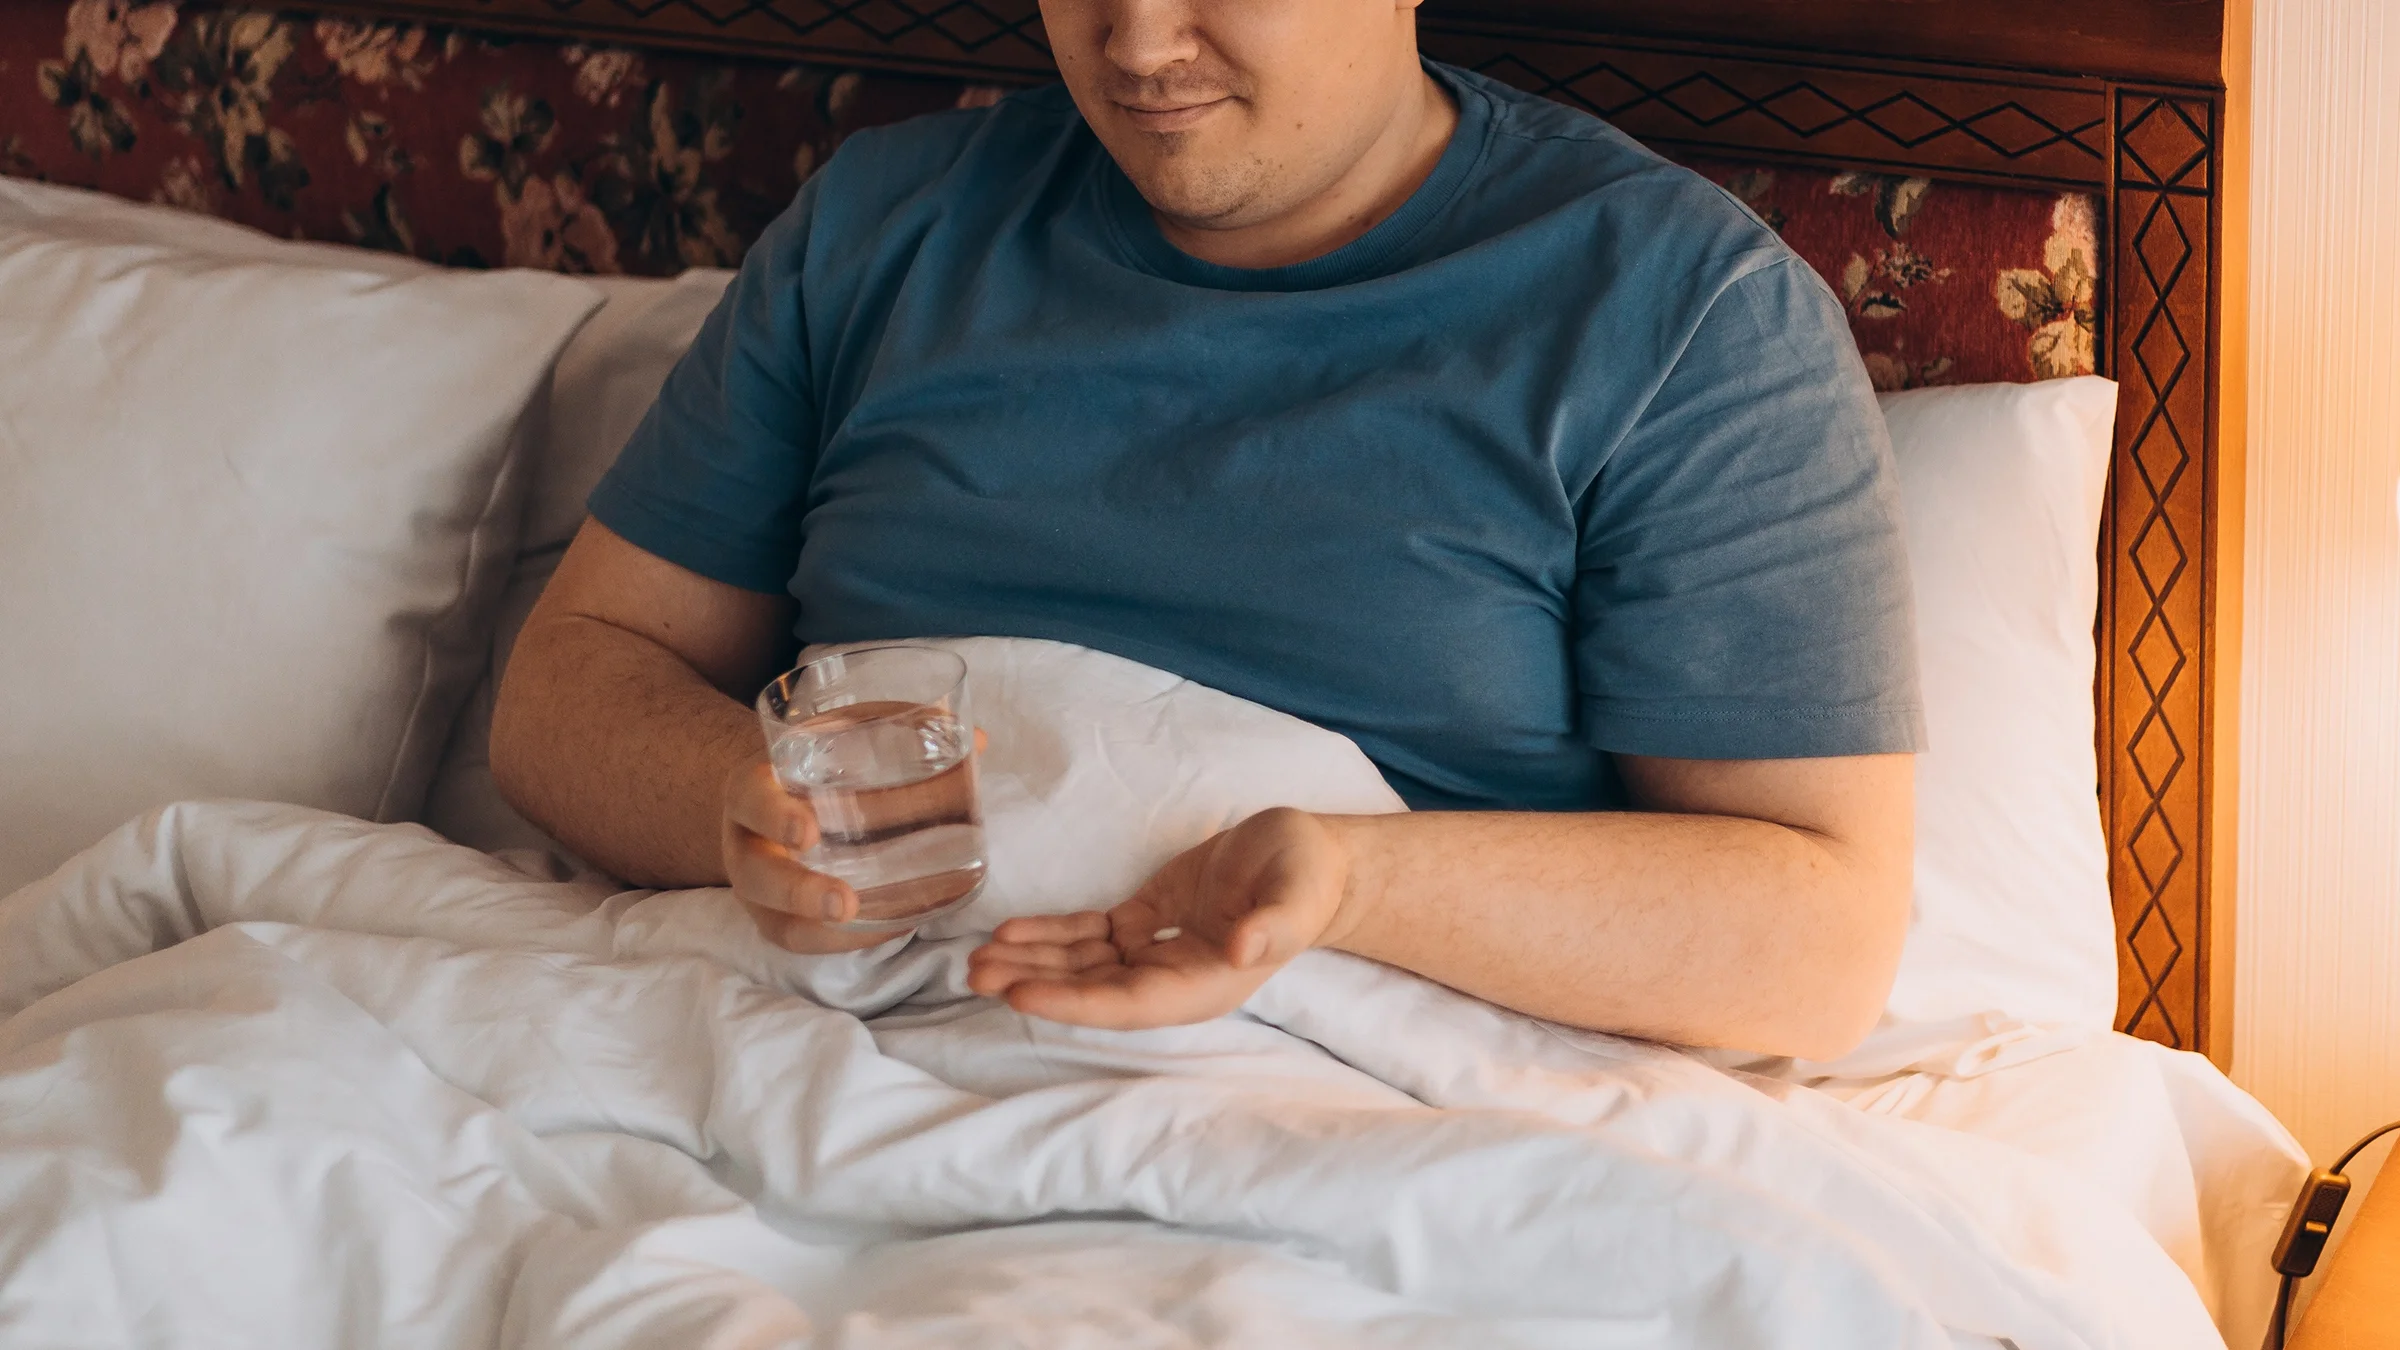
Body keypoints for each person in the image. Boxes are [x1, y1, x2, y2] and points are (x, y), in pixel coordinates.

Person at [490, 0, 1922, 1061]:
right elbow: (567, 680)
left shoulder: (1683, 315)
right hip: (809, 1044)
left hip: (1319, 1098)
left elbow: (1823, 943)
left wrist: (1346, 882)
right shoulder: (884, 224)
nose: (1138, 41)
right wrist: (742, 809)